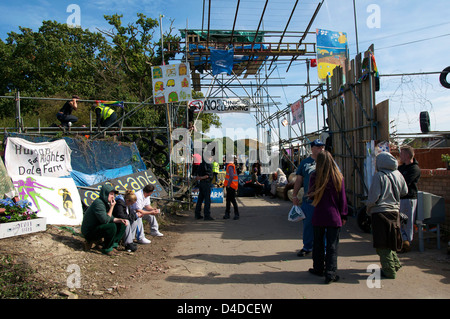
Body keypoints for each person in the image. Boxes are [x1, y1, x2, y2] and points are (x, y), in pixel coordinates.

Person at [307, 151, 348, 284]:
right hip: (334, 216)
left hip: (319, 215)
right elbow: (343, 199)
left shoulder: (314, 176)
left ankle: (318, 268)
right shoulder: (338, 177)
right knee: (332, 246)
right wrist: (344, 214)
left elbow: (311, 195)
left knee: (317, 243)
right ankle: (330, 273)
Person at [366, 151, 408, 279]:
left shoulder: (379, 176)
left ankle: (389, 270)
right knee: (391, 240)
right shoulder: (398, 174)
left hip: (380, 213)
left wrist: (368, 207)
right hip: (395, 211)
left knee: (382, 243)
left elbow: (374, 197)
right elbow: (405, 191)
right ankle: (395, 263)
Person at [292, 139, 325, 257]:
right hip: (309, 200)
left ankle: (323, 249)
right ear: (312, 148)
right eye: (318, 147)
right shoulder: (305, 163)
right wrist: (295, 195)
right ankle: (307, 246)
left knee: (325, 226)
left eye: (322, 147)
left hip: (324, 201)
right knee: (308, 225)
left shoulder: (328, 162)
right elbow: (299, 180)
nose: (321, 149)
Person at [81, 184, 128, 256]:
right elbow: (105, 220)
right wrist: (112, 207)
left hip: (97, 228)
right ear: (105, 194)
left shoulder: (105, 203)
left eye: (113, 194)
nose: (113, 196)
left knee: (121, 224)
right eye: (111, 194)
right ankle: (106, 249)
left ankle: (112, 246)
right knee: (111, 226)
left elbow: (111, 218)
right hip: (89, 232)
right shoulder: (98, 203)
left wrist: (120, 220)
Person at [398, 145, 421, 252]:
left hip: (409, 198)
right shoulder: (401, 168)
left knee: (407, 221)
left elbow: (405, 183)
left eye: (402, 154)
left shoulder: (414, 169)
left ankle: (407, 243)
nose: (400, 156)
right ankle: (402, 240)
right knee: (400, 221)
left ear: (407, 155)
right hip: (400, 198)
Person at [194, 154, 214, 220]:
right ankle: (207, 215)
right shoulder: (208, 164)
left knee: (200, 199)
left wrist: (199, 178)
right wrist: (201, 178)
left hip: (201, 184)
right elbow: (208, 175)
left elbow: (198, 172)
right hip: (206, 183)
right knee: (207, 200)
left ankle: (197, 214)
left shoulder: (201, 164)